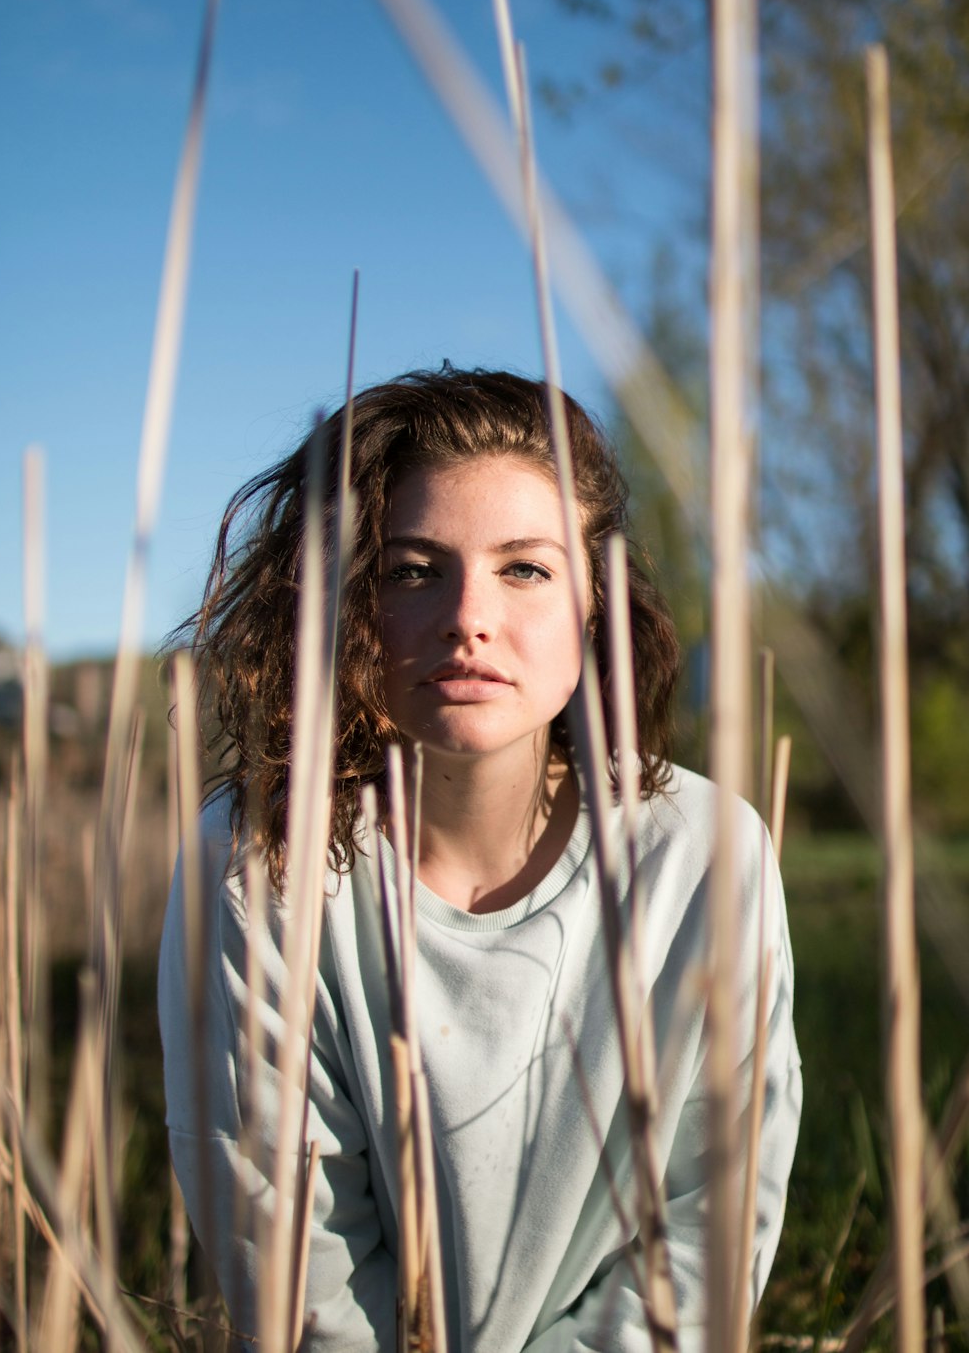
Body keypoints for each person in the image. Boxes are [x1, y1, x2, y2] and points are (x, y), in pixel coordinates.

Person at [159, 366, 802, 1351]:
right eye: (413, 568)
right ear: (347, 601)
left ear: (591, 598)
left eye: (525, 568)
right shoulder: (256, 865)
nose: (468, 616)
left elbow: (707, 1218)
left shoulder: (706, 860)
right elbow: (297, 1272)